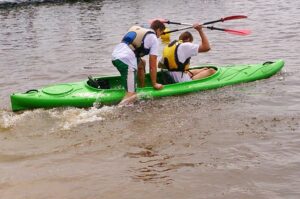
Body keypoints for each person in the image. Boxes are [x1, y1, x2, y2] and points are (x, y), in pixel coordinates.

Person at [112, 20, 165, 105]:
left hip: (115, 55)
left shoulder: (138, 29)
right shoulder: (153, 38)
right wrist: (154, 84)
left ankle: (141, 87)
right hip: (126, 61)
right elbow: (153, 65)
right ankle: (115, 111)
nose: (159, 36)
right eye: (161, 33)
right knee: (132, 96)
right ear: (158, 30)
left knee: (142, 63)